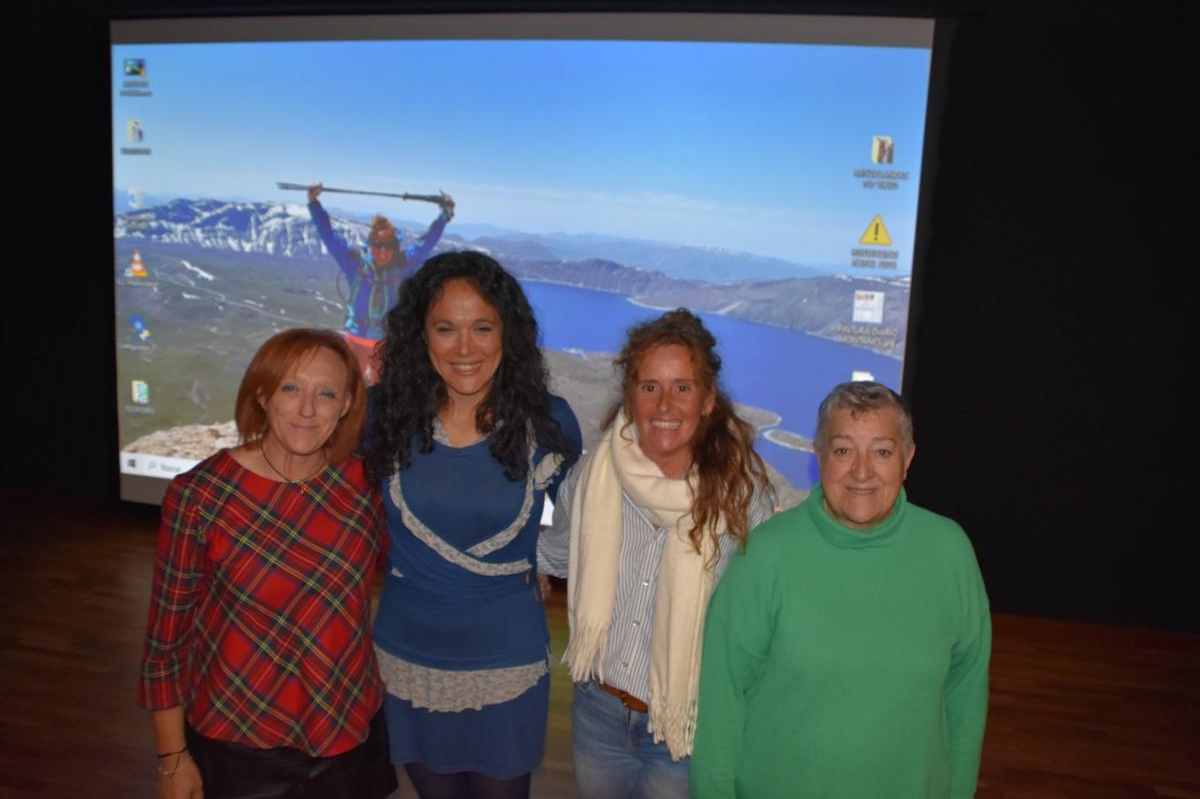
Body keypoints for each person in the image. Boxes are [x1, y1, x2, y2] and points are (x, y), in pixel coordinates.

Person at [691, 381, 991, 799]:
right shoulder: (765, 555)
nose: (862, 471)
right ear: (819, 456)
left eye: (882, 451)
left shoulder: (949, 552)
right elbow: (721, 703)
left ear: (908, 458)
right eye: (843, 450)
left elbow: (966, 698)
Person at [139, 328, 396, 799]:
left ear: (345, 406)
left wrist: (526, 564)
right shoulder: (203, 495)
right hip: (239, 742)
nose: (306, 409)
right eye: (291, 388)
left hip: (347, 733)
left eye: (326, 393)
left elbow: (418, 563)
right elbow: (165, 644)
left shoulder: (364, 485)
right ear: (262, 393)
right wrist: (171, 759)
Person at [364, 251, 582, 799]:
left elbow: (581, 521)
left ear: (507, 333)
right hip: (406, 658)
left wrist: (544, 567)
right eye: (446, 329)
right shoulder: (380, 416)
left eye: (482, 328)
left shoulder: (550, 423)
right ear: (422, 336)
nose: (465, 348)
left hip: (506, 664)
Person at [538, 308, 775, 799]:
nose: (665, 403)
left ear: (708, 399)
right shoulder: (590, 479)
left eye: (682, 387)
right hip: (597, 712)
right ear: (631, 395)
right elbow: (555, 556)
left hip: (684, 723)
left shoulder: (743, 496)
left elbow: (763, 614)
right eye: (649, 387)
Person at [307, 182, 454, 384]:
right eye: (378, 245)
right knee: (350, 389)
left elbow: (426, 242)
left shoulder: (403, 265)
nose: (382, 251)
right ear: (371, 244)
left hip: (386, 345)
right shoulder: (355, 264)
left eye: (388, 246)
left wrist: (444, 215)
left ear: (394, 248)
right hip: (355, 341)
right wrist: (314, 205)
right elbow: (329, 236)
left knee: (384, 395)